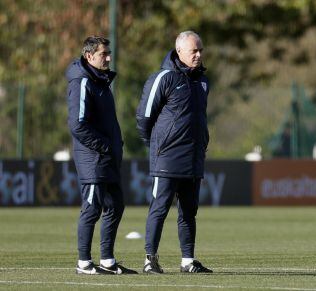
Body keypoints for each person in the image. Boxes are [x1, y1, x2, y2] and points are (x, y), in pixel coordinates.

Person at [136, 31, 212, 274]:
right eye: (194, 51)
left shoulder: (202, 82)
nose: (199, 55)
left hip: (193, 157)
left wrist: (203, 143)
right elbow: (144, 117)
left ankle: (187, 260)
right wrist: (157, 146)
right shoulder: (164, 78)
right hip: (167, 157)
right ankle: (150, 259)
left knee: (189, 211)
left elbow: (200, 118)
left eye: (200, 50)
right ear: (179, 52)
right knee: (160, 207)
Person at [66, 36, 136, 275]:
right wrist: (105, 146)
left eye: (109, 53)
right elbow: (77, 125)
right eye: (103, 54)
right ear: (89, 56)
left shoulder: (100, 82)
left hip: (107, 159)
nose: (108, 58)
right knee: (92, 209)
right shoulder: (83, 83)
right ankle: (84, 263)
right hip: (94, 159)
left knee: (116, 205)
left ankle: (107, 260)